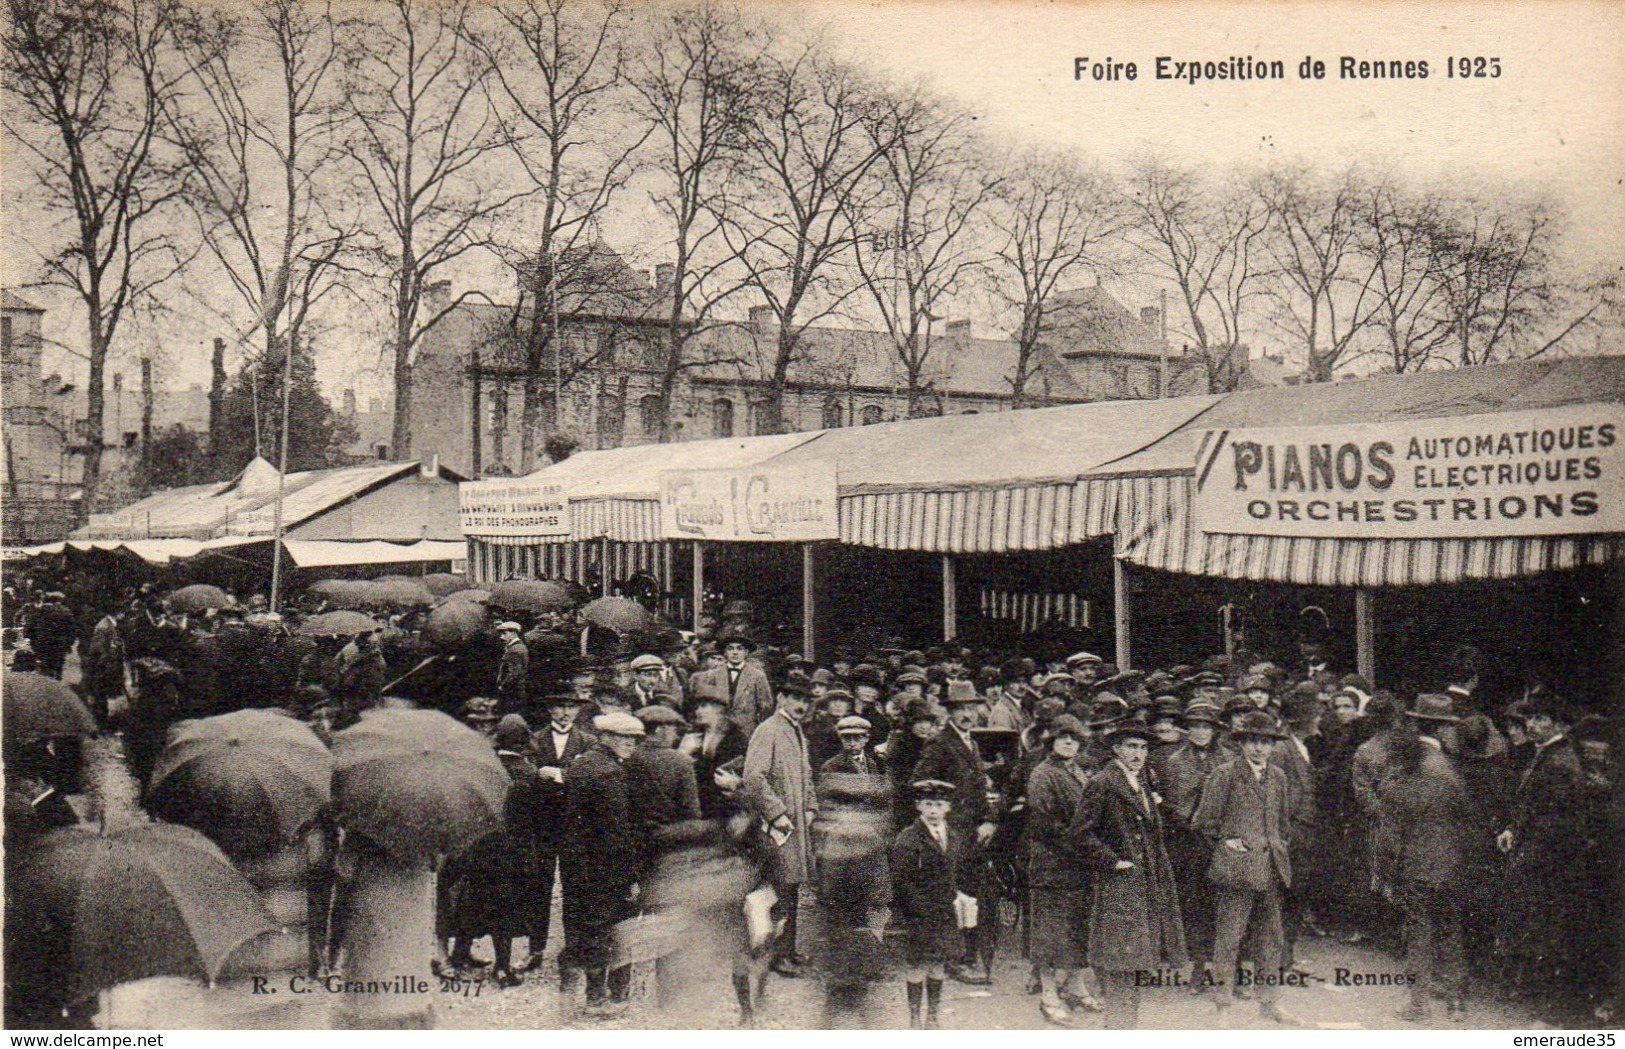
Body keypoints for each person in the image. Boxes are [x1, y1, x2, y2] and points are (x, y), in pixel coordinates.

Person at [1070, 715, 1188, 1029]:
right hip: (1121, 883)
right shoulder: (1103, 783)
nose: (1137, 754)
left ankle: (1125, 1027)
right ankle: (1118, 1027)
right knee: (1121, 960)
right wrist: (1112, 861)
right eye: (1130, 747)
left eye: (1143, 747)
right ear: (1117, 749)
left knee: (1135, 959)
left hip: (1145, 881)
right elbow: (1081, 834)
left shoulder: (1142, 782)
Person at [1191, 711, 1300, 1025]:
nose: (1258, 749)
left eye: (1265, 743)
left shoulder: (1278, 776)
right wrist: (1228, 844)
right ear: (1241, 744)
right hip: (1236, 872)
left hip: (1270, 870)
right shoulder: (1225, 775)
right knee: (1229, 939)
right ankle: (1223, 1008)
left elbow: (1282, 822)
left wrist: (1278, 847)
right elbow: (1202, 823)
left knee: (1271, 939)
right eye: (1252, 742)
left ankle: (1269, 1004)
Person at [1377, 694, 1474, 1023]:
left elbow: (1394, 813)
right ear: (1445, 729)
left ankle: (1418, 1005)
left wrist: (1386, 872)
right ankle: (1457, 1003)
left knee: (1419, 931)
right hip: (1451, 862)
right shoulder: (1452, 767)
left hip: (1417, 862)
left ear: (1416, 724)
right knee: (1450, 929)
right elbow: (1466, 816)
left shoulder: (1409, 767)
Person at [1496, 687, 1589, 1013]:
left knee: (1547, 932)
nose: (1532, 724)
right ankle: (1533, 996)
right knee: (1536, 928)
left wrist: (1526, 853)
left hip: (1548, 860)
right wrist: (1512, 829)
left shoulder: (1561, 763)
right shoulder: (1546, 755)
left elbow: (1556, 821)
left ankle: (1548, 1007)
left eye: (1541, 718)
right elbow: (1529, 805)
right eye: (1531, 718)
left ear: (1559, 725)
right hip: (1536, 853)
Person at [911, 679, 999, 986]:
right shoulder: (939, 744)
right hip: (951, 833)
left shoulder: (970, 743)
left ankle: (965, 955)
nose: (967, 714)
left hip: (971, 834)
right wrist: (941, 823)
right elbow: (920, 785)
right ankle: (955, 959)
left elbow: (979, 789)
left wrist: (987, 819)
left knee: (970, 896)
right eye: (961, 709)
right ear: (950, 712)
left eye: (971, 708)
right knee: (955, 896)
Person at [559, 711, 645, 1018]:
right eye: (625, 738)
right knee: (617, 927)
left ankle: (592, 993)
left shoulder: (581, 765)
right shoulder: (610, 774)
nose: (631, 745)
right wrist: (632, 876)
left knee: (588, 925)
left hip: (577, 863)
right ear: (606, 737)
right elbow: (617, 831)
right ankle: (608, 996)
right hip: (606, 865)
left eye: (634, 740)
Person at [742, 674, 819, 978]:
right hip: (777, 827)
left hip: (796, 824)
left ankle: (788, 949)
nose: (801, 705)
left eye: (805, 700)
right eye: (795, 698)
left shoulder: (797, 732)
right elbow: (753, 777)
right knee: (781, 888)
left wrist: (811, 806)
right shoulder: (768, 730)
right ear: (781, 699)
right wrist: (776, 813)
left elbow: (806, 774)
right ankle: (776, 954)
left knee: (793, 887)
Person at [1023, 714, 1098, 1024]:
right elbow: (1043, 823)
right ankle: (1049, 994)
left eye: (1075, 738)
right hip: (1052, 863)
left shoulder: (1076, 771)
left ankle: (1077, 987)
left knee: (1077, 926)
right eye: (1063, 737)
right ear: (1051, 741)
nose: (1069, 742)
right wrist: (1081, 845)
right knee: (1050, 931)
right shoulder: (1043, 773)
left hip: (1076, 864)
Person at [889, 779, 973, 1029]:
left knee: (938, 963)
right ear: (918, 806)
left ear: (948, 807)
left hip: (945, 912)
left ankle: (933, 1015)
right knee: (917, 964)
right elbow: (900, 880)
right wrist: (916, 908)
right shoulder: (908, 838)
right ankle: (915, 1016)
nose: (934, 810)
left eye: (939, 804)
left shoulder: (954, 836)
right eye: (928, 804)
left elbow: (960, 871)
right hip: (917, 913)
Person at [1156, 698, 1229, 985]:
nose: (1200, 732)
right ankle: (1200, 965)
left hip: (1221, 841)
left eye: (1205, 727)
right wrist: (1192, 823)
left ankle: (1225, 967)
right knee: (1196, 905)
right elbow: (1174, 805)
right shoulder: (1175, 762)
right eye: (1195, 727)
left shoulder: (1227, 760)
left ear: (1214, 730)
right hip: (1189, 843)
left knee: (1225, 905)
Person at [686, 681, 750, 819]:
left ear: (719, 709)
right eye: (696, 707)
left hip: (726, 809)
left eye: (703, 706)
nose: (698, 711)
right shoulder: (695, 735)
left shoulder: (735, 738)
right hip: (698, 805)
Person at [692, 631, 775, 736]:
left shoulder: (757, 676)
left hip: (746, 732)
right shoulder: (713, 675)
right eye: (730, 649)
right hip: (718, 732)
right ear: (725, 652)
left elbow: (766, 707)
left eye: (739, 649)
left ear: (746, 652)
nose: (735, 653)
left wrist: (758, 730)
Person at [494, 622, 529, 717]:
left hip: (512, 690)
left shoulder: (515, 650)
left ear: (514, 633)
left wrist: (503, 685)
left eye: (505, 633)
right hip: (516, 688)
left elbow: (514, 673)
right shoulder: (516, 647)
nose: (502, 637)